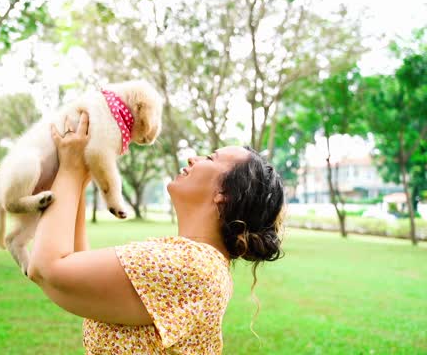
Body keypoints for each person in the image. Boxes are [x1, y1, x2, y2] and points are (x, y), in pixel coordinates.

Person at [27, 112, 285, 354]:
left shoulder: (192, 265)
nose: (192, 159)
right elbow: (77, 278)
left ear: (224, 194)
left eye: (210, 158)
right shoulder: (193, 260)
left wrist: (71, 169)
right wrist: (79, 174)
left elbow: (47, 269)